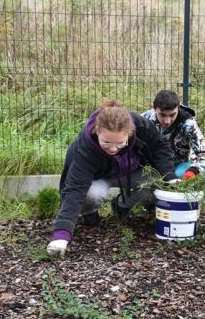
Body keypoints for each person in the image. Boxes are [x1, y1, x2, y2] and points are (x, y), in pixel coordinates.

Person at [46, 99, 176, 256]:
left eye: (120, 143)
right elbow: (74, 189)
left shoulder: (140, 125)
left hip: (131, 171)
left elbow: (160, 146)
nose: (113, 149)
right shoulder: (84, 148)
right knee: (89, 194)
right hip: (100, 178)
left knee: (158, 181)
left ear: (129, 133)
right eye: (106, 143)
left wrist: (170, 176)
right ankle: (88, 212)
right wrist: (61, 236)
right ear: (97, 131)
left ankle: (123, 205)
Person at [141, 90, 205, 179]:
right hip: (151, 167)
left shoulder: (188, 124)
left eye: (172, 115)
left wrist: (193, 171)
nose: (167, 121)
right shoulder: (144, 121)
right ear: (154, 108)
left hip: (179, 166)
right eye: (162, 115)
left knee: (178, 176)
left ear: (178, 108)